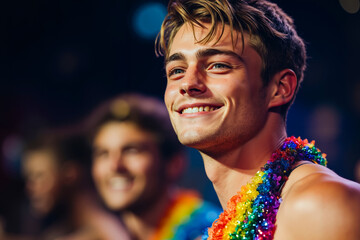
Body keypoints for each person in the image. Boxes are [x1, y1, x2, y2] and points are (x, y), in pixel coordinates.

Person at [155, 0, 360, 239]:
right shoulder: (223, 225)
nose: (188, 84)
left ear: (280, 88)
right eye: (177, 70)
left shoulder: (319, 205)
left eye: (218, 65)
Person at [85, 93, 221, 240]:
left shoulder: (210, 231)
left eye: (132, 150)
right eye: (103, 154)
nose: (114, 166)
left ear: (174, 164)